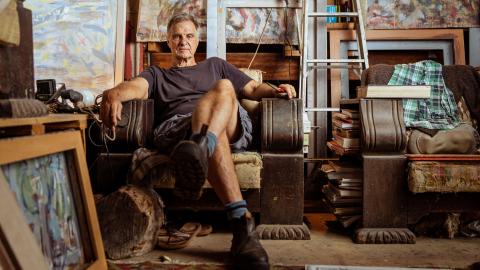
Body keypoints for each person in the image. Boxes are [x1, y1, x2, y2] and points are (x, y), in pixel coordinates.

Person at [100, 12, 296, 269]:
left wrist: (276, 89)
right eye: (177, 36)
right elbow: (134, 87)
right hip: (179, 128)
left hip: (229, 122)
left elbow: (251, 89)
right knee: (213, 131)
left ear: (197, 40)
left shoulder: (215, 66)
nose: (184, 41)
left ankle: (201, 148)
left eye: (189, 36)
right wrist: (113, 93)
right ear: (169, 41)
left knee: (225, 87)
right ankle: (242, 226)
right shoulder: (157, 75)